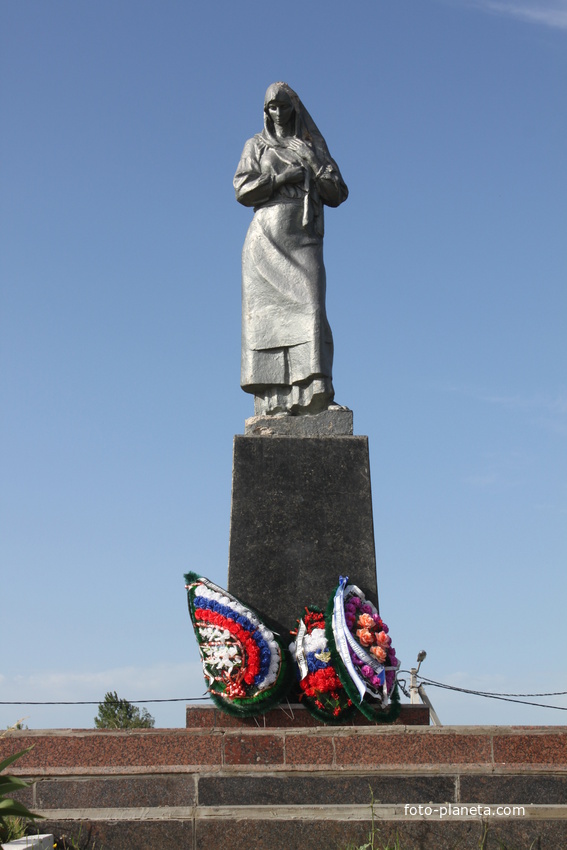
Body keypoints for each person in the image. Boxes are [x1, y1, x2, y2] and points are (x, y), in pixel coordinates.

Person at [234, 82, 348, 417]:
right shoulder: (256, 145)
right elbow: (242, 189)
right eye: (273, 107)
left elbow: (337, 193)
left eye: (284, 106)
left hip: (304, 238)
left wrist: (313, 161)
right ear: (266, 111)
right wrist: (283, 178)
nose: (279, 113)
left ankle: (316, 395)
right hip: (265, 239)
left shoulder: (311, 145)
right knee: (267, 322)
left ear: (294, 109)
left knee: (311, 310)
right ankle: (274, 401)